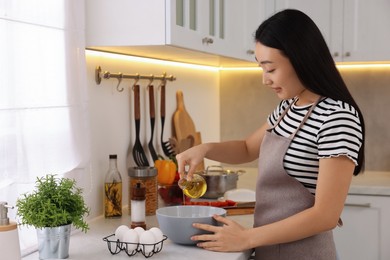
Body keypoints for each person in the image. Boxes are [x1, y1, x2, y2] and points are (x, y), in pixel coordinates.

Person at [176, 9, 365, 260]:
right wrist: (205, 149)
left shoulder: (337, 117)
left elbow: (325, 215)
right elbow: (246, 148)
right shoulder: (288, 107)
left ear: (301, 59)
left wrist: (248, 237)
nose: (265, 79)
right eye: (261, 68)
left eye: (271, 68)